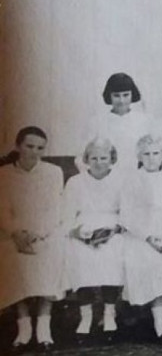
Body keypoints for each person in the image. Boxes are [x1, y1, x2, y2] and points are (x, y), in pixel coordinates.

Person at [120, 134, 162, 344]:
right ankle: (160, 323)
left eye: (156, 154)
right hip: (141, 234)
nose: (151, 158)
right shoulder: (132, 179)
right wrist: (148, 237)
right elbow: (127, 215)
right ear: (140, 156)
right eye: (146, 154)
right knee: (152, 265)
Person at [0, 127, 65, 351]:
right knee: (8, 254)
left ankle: (44, 326)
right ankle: (24, 324)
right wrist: (17, 233)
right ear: (18, 146)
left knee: (54, 251)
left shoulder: (53, 172)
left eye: (40, 148)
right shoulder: (4, 174)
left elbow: (55, 209)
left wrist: (40, 233)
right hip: (15, 233)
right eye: (29, 146)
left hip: (45, 231)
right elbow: (3, 211)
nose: (34, 152)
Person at [63, 137, 127, 343]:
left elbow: (128, 211)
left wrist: (114, 229)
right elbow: (66, 213)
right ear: (87, 159)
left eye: (104, 158)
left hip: (113, 228)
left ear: (112, 159)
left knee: (113, 254)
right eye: (94, 158)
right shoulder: (75, 182)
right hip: (84, 227)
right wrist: (77, 232)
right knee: (80, 256)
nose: (99, 162)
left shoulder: (121, 180)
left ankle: (109, 315)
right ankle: (86, 317)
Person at [90, 72, 153, 170]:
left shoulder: (145, 121)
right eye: (116, 96)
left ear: (132, 95)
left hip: (137, 175)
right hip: (107, 175)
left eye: (126, 95)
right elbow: (82, 156)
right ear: (109, 96)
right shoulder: (97, 122)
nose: (121, 101)